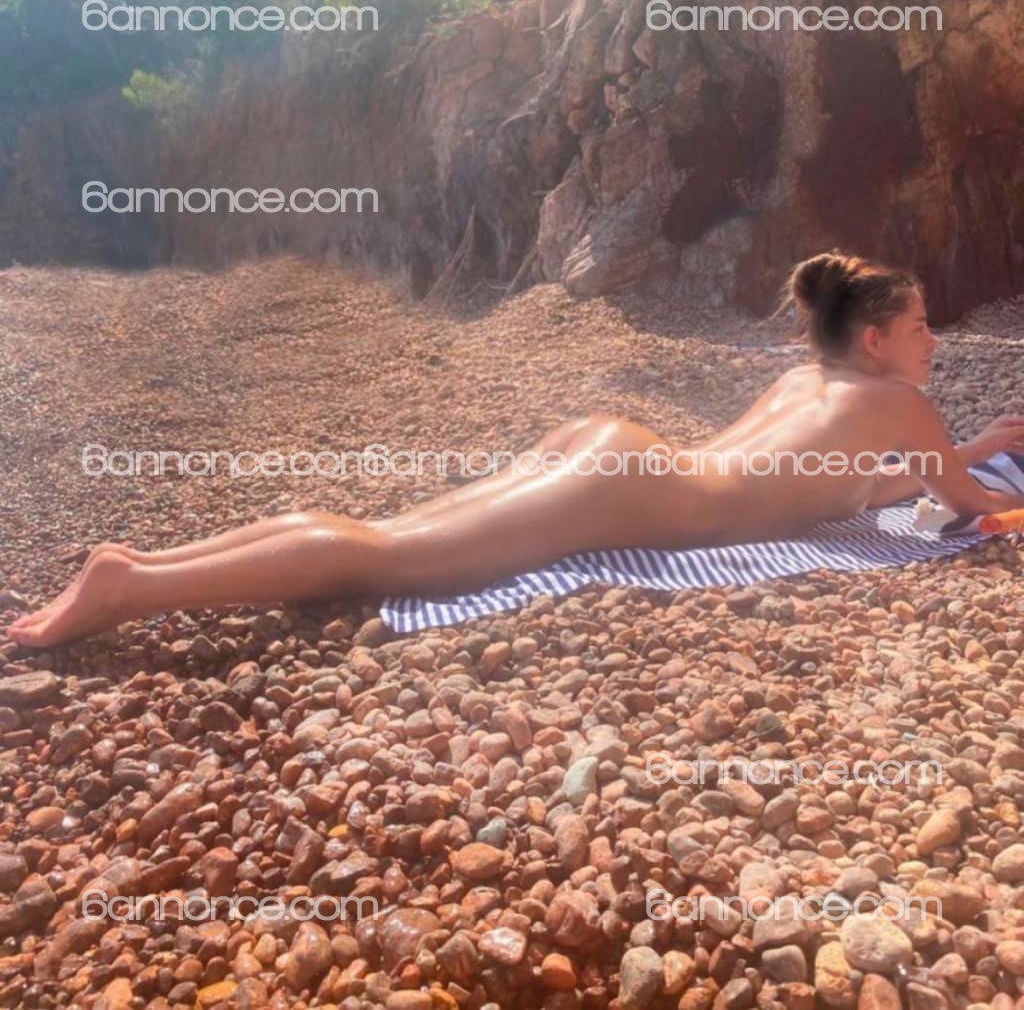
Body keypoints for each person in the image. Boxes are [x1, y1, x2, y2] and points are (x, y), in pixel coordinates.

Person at [9, 250, 1024, 649]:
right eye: (922, 326)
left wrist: (965, 442)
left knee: (390, 529)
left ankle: (137, 563)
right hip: (628, 489)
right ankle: (133, 590)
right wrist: (973, 458)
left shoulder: (806, 384)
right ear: (876, 340)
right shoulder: (903, 406)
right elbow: (969, 509)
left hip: (617, 455)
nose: (934, 341)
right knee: (386, 557)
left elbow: (837, 486)